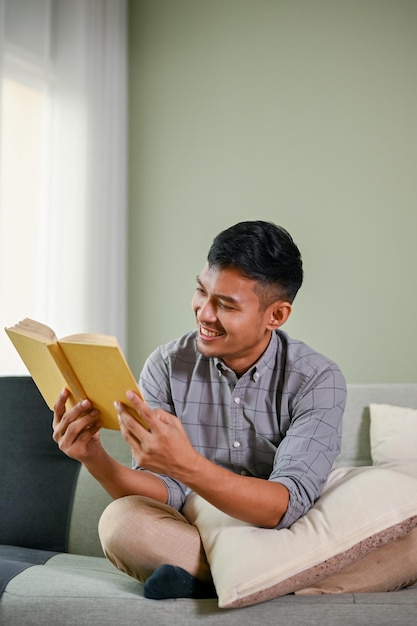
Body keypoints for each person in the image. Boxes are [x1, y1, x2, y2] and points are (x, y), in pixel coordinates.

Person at [52, 220, 347, 600]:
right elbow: (166, 492)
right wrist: (93, 457)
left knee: (406, 536)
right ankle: (269, 581)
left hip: (284, 536)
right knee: (121, 523)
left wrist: (187, 464)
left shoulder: (317, 378)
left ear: (275, 316)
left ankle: (214, 579)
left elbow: (284, 507)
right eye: (201, 291)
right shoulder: (166, 364)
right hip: (197, 530)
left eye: (226, 305)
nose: (204, 314)